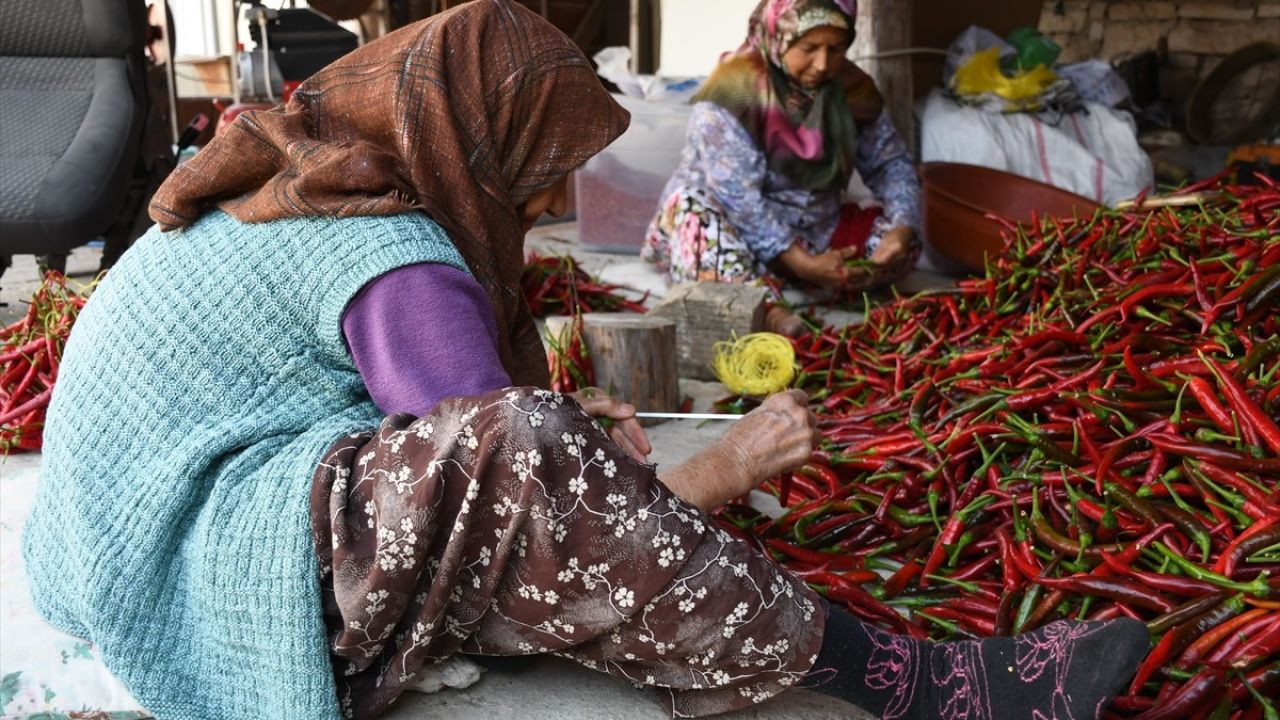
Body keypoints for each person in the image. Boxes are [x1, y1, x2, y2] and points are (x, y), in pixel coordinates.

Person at [22, 2, 1148, 719]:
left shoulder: (318, 178)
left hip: (103, 543)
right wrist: (702, 477)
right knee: (528, 452)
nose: (551, 205)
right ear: (479, 140)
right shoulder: (388, 248)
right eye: (538, 173)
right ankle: (915, 687)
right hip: (186, 568)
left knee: (531, 446)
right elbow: (513, 475)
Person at [642, 0, 921, 335]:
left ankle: (807, 278)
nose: (822, 64)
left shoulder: (851, 89)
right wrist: (803, 264)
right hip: (734, 228)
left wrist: (901, 227)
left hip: (813, 230)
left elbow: (891, 163)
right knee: (695, 221)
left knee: (902, 246)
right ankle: (769, 311)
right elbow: (741, 203)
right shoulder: (733, 91)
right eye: (809, 48)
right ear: (777, 37)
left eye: (836, 49)